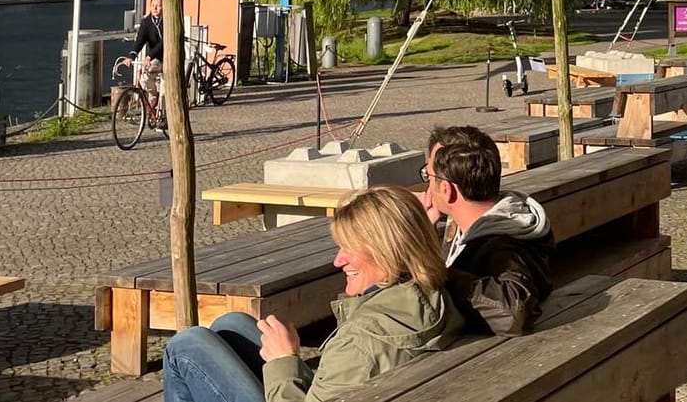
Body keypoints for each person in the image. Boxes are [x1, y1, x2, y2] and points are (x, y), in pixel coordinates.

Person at [162, 187, 463, 402]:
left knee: (187, 346)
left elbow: (357, 356)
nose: (338, 260)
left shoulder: (361, 343)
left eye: (349, 248)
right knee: (233, 324)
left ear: (387, 252)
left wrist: (284, 360)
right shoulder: (432, 295)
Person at [421, 126, 554, 336]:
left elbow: (514, 313)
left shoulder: (502, 244)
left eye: (427, 175)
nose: (426, 186)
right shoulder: (503, 220)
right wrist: (424, 231)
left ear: (446, 190)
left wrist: (437, 274)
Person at [123, 0, 165, 96]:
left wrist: (149, 56)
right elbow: (140, 41)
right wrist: (131, 56)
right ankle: (154, 96)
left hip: (167, 55)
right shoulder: (146, 22)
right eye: (153, 5)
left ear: (163, 7)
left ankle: (164, 101)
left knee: (167, 81)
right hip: (156, 57)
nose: (155, 8)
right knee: (145, 78)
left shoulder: (167, 20)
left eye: (158, 5)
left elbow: (164, 42)